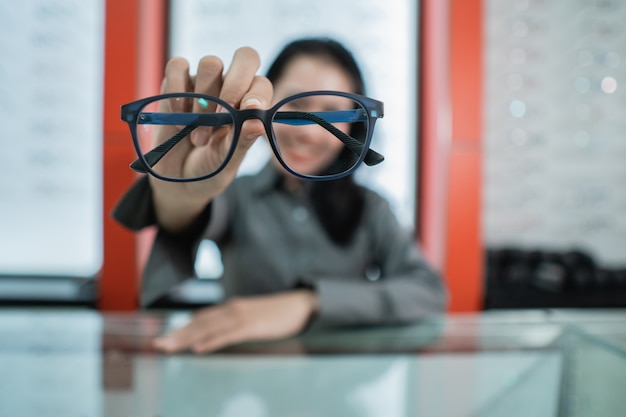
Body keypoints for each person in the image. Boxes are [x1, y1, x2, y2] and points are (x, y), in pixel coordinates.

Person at [113, 37, 447, 354]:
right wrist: (182, 190)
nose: (310, 134)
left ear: (352, 129)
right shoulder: (236, 195)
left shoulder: (372, 207)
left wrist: (308, 303)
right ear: (263, 108)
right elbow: (185, 218)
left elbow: (428, 292)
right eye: (296, 106)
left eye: (332, 114)